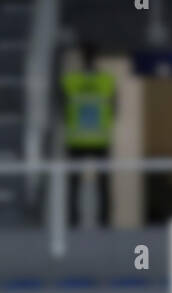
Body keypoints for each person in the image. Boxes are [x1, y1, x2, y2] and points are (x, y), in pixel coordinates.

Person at [60, 42, 116, 226]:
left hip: (76, 138)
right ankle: (104, 221)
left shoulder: (71, 81)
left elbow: (61, 109)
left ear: (81, 58)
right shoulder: (106, 81)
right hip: (100, 138)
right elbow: (115, 109)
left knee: (74, 184)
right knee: (103, 184)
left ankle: (73, 221)